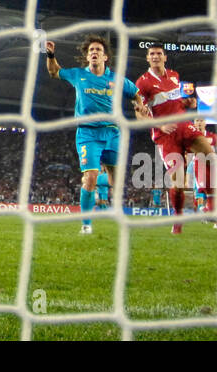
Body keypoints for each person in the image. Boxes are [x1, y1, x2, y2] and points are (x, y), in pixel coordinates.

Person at [44, 34, 149, 235]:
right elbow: (54, 72)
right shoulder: (77, 75)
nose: (94, 53)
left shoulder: (115, 80)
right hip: (87, 133)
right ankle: (86, 224)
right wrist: (50, 54)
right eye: (91, 50)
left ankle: (112, 209)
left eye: (98, 50)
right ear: (87, 56)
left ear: (105, 57)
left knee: (115, 180)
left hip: (112, 133)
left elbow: (135, 93)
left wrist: (139, 105)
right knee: (91, 177)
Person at [135, 44, 215, 235]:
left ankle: (211, 208)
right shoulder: (142, 83)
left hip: (183, 125)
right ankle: (178, 220)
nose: (155, 56)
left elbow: (175, 103)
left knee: (210, 155)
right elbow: (139, 114)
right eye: (152, 54)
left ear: (165, 57)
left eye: (159, 54)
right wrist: (159, 126)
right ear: (147, 58)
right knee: (178, 182)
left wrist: (187, 103)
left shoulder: (174, 76)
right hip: (165, 134)